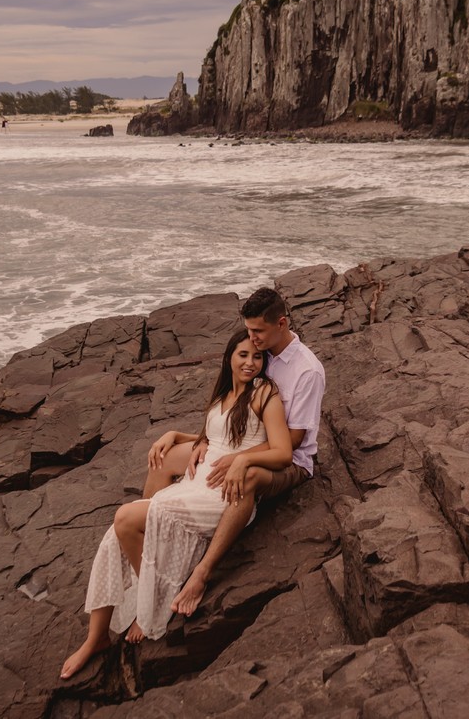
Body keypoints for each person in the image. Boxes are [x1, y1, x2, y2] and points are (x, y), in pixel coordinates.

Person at [60, 327, 294, 680]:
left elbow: (283, 451)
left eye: (257, 356)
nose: (250, 363)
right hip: (196, 481)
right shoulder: (224, 393)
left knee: (126, 518)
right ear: (229, 357)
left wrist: (244, 460)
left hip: (221, 491)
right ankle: (96, 639)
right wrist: (175, 436)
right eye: (243, 355)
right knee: (115, 535)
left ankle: (148, 600)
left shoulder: (265, 394)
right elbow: (213, 436)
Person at [148, 287, 326, 617]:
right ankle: (145, 536)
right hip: (237, 444)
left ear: (281, 323)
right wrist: (195, 438)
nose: (251, 338)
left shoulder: (307, 371)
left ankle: (201, 573)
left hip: (290, 462)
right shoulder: (261, 353)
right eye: (249, 331)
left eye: (258, 331)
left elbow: (296, 440)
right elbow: (234, 414)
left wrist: (240, 457)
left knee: (246, 476)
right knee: (165, 455)